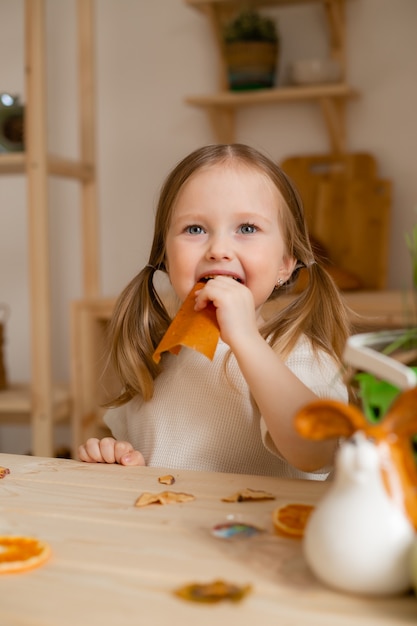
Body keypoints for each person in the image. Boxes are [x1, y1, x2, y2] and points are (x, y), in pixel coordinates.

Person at [78, 143, 351, 479]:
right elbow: (139, 450)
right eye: (195, 229)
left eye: (247, 229)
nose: (219, 249)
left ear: (284, 264)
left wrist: (246, 338)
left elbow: (315, 452)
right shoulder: (160, 352)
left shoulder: (300, 355)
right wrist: (115, 454)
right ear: (165, 256)